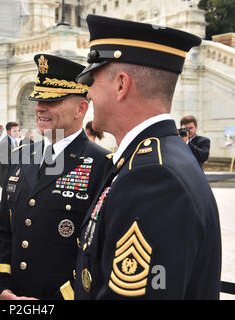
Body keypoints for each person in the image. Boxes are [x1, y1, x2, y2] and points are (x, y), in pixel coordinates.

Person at [72, 15, 221, 299]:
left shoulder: (152, 176)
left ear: (121, 85)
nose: (88, 92)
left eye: (93, 80)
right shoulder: (157, 159)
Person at [0, 54, 110, 300]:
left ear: (81, 108)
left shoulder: (101, 165)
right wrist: (1, 289)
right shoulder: (24, 155)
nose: (39, 108)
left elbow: (99, 253)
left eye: (53, 100)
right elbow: (2, 232)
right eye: (38, 99)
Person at [0, 122, 20, 188]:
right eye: (14, 131)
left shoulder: (14, 140)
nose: (17, 132)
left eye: (18, 130)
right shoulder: (5, 142)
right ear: (8, 132)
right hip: (6, 174)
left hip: (10, 173)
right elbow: (5, 161)